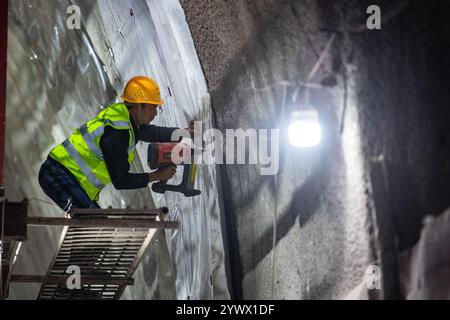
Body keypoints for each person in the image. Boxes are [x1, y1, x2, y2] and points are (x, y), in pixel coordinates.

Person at [38, 76, 191, 211]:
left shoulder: (123, 118)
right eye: (153, 107)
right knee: (97, 226)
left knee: (98, 226)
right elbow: (121, 180)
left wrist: (182, 133)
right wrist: (157, 176)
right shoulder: (117, 135)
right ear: (138, 106)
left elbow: (149, 132)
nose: (155, 113)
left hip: (65, 177)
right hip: (58, 176)